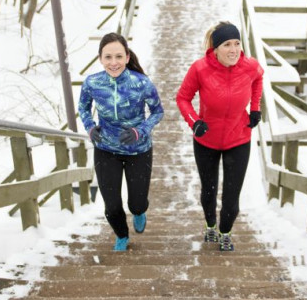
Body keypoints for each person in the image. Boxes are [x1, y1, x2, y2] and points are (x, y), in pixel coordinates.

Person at [176, 21, 263, 252]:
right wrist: (195, 122)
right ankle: (210, 225)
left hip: (239, 138)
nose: (234, 49)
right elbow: (182, 98)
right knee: (209, 190)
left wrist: (255, 108)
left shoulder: (250, 66)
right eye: (227, 45)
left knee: (232, 197)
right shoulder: (200, 69)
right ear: (215, 49)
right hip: (207, 140)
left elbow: (258, 79)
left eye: (237, 43)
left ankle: (225, 232)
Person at [78, 32, 164, 251]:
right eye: (108, 57)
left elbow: (157, 111)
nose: (113, 62)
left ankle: (139, 211)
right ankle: (122, 235)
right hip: (106, 148)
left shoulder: (141, 83)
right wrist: (89, 127)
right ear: (100, 59)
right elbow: (83, 107)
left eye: (118, 56)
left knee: (136, 202)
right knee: (112, 204)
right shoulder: (92, 83)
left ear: (127, 57)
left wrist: (140, 131)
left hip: (138, 149)